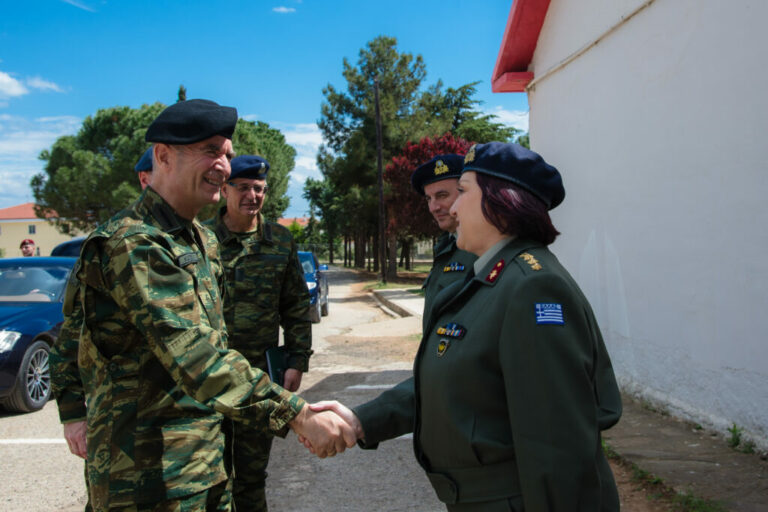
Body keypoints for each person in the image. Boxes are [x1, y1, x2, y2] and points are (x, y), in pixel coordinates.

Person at [59, 99, 354, 511]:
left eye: (227, 154)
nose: (224, 165)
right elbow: (193, 354)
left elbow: (221, 338)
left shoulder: (199, 239)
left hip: (205, 461)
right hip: (147, 474)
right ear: (163, 156)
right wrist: (296, 415)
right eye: (210, 150)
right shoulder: (135, 243)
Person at [309, 142, 622, 511]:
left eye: (464, 192)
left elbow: (557, 444)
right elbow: (455, 379)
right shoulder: (492, 279)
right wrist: (362, 420)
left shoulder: (533, 287)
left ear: (500, 201)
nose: (453, 207)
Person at [50, 145, 159, 512]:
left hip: (179, 442)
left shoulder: (196, 242)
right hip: (120, 430)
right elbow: (71, 336)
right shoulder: (111, 243)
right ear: (146, 178)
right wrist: (72, 414)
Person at [205, 154, 312, 511]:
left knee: (252, 476)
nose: (252, 195)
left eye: (259, 188)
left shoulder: (279, 241)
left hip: (259, 378)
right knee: (209, 477)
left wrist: (297, 360)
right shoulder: (201, 240)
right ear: (224, 190)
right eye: (244, 187)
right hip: (208, 379)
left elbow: (296, 304)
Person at [410, 154, 477, 327]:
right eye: (429, 199)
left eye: (442, 195)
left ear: (467, 193)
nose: (433, 207)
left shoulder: (483, 248)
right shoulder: (446, 245)